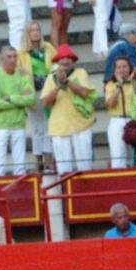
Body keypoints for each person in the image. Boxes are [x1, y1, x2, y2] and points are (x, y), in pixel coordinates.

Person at [40, 44, 96, 173]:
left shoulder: (81, 73)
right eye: (62, 58)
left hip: (81, 125)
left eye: (69, 58)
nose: (65, 61)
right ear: (57, 62)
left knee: (85, 167)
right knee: (63, 169)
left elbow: (85, 93)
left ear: (73, 61)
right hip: (59, 127)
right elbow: (45, 102)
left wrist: (67, 82)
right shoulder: (51, 77)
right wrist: (58, 86)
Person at [0, 46, 34, 177]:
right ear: (2, 59)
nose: (13, 60)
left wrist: (10, 98)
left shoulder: (22, 74)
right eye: (9, 57)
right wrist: (19, 100)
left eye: (14, 56)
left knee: (20, 167)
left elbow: (30, 99)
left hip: (18, 123)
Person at [19, 21, 56, 173]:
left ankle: (49, 159)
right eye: (32, 30)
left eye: (37, 30)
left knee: (49, 125)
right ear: (27, 34)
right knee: (37, 127)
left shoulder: (48, 48)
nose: (35, 33)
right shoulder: (22, 53)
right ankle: (38, 160)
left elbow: (55, 65)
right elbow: (20, 74)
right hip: (32, 91)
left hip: (47, 90)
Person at [105, 56, 136, 168]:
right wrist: (119, 86)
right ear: (115, 70)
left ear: (130, 68)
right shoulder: (110, 84)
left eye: (125, 66)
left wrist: (133, 82)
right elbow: (110, 104)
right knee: (118, 156)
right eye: (119, 67)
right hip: (117, 119)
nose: (122, 70)